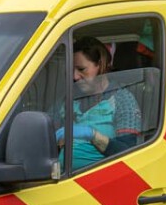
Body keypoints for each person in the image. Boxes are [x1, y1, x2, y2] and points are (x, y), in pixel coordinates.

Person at [59, 34, 142, 170]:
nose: (74, 76)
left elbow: (130, 154)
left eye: (81, 69)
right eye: (71, 70)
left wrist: (93, 135)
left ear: (100, 65)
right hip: (62, 181)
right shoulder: (69, 101)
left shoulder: (122, 99)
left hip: (100, 183)